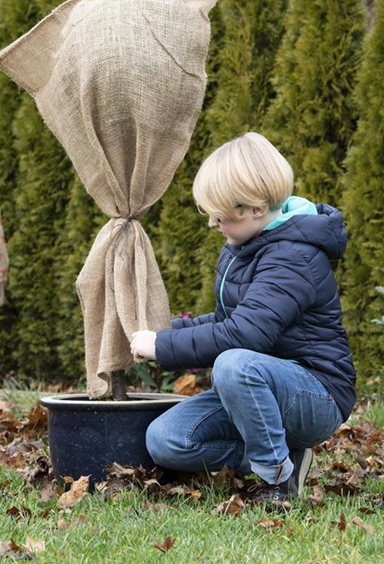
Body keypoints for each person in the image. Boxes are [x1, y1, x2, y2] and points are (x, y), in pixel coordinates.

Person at [130, 132, 356, 505]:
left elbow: (243, 336)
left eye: (220, 216)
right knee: (166, 440)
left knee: (233, 364)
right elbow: (226, 320)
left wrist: (163, 346)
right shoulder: (243, 246)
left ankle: (278, 481)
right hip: (257, 388)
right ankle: (283, 458)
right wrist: (165, 330)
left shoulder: (293, 257)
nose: (212, 224)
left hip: (315, 394)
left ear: (255, 208)